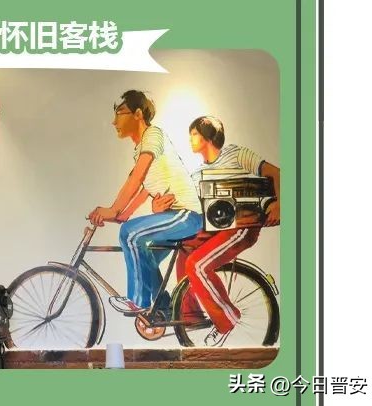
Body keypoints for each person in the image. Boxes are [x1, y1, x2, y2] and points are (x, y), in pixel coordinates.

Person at [152, 115, 281, 346]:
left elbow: (276, 173)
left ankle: (227, 318)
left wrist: (279, 203)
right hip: (215, 228)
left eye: (194, 134)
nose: (190, 139)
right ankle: (190, 315)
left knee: (197, 265)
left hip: (242, 225)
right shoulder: (198, 173)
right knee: (184, 249)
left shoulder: (237, 154)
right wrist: (159, 206)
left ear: (207, 136)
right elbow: (185, 203)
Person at [88, 90, 203, 313]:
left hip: (187, 215)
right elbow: (144, 188)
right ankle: (164, 307)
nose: (114, 122)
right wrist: (121, 214)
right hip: (175, 216)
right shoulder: (141, 148)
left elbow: (138, 176)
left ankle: (138, 301)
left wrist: (114, 209)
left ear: (138, 114)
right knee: (144, 254)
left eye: (120, 113)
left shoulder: (153, 135)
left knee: (129, 233)